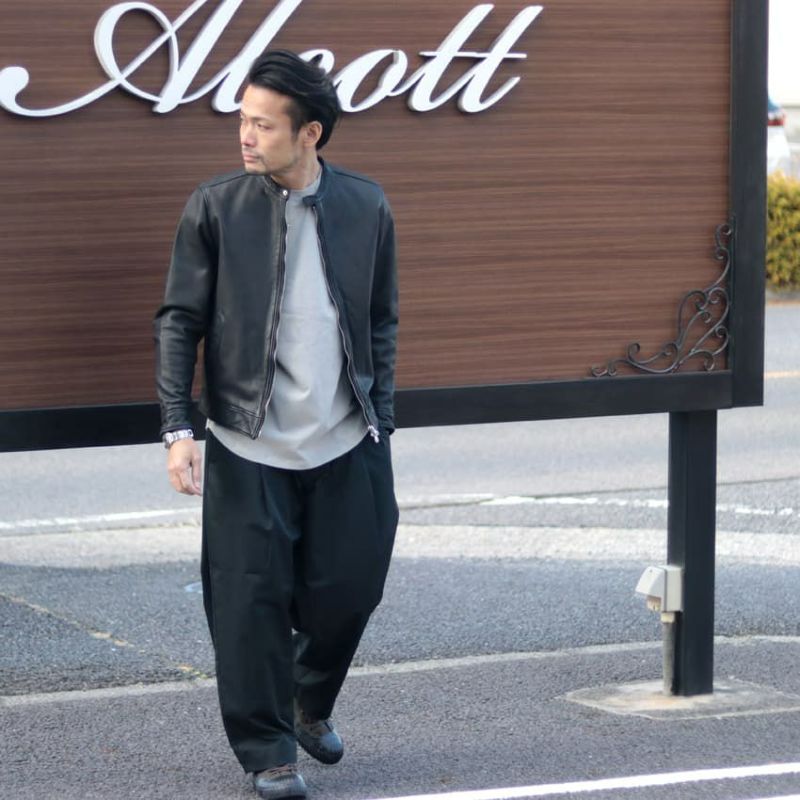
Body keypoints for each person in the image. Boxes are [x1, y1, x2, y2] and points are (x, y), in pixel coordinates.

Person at [153, 49, 399, 800]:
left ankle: (305, 701)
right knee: (248, 604)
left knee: (351, 589)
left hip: (346, 437)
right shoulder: (216, 206)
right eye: (243, 120)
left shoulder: (365, 205)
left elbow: (381, 319)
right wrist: (178, 427)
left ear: (310, 132)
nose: (246, 135)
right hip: (245, 439)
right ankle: (269, 752)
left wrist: (383, 417)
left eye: (263, 124)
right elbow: (179, 320)